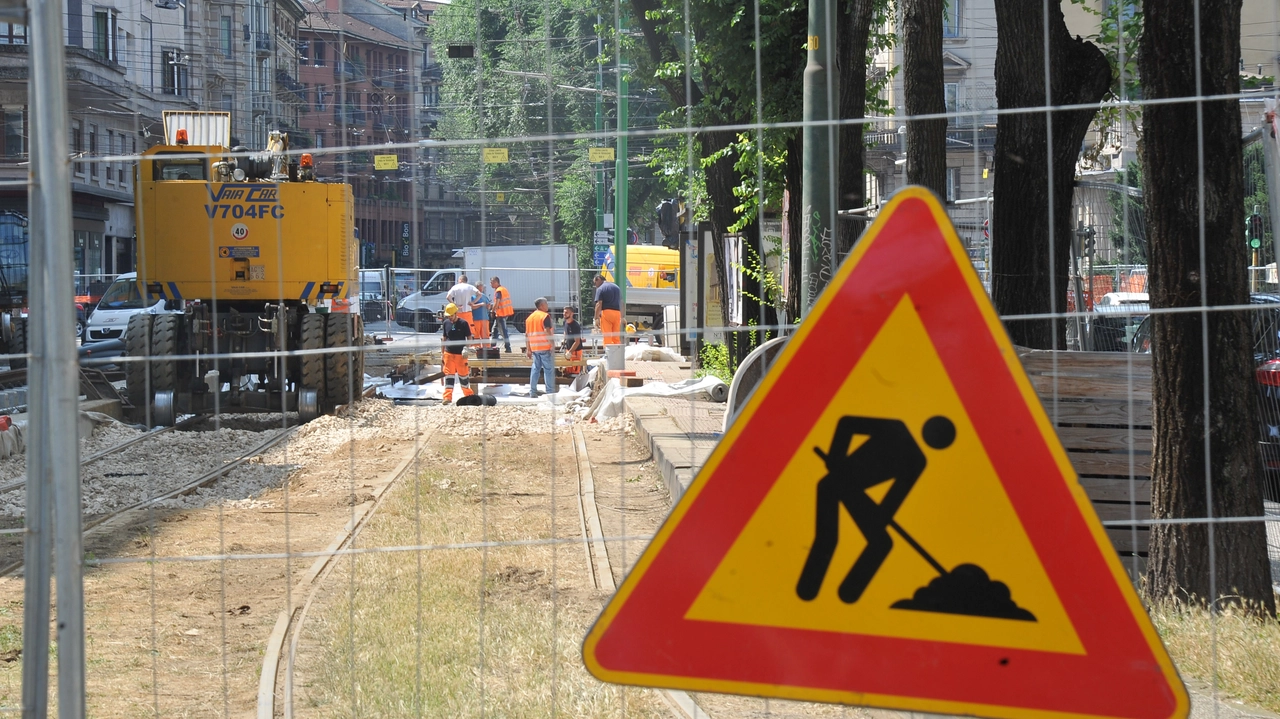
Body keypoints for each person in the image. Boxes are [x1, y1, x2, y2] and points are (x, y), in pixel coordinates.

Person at [796, 415, 955, 604]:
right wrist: (837, 455)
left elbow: (894, 499)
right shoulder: (897, 430)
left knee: (881, 543)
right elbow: (847, 423)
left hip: (844, 486)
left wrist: (881, 516)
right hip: (835, 481)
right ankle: (809, 589)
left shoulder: (916, 459)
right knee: (829, 537)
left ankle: (847, 593)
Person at [440, 303, 475, 405]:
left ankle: (469, 397)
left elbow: (469, 337)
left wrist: (467, 348)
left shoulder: (463, 323)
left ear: (456, 313)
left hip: (461, 355)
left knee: (463, 376)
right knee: (449, 376)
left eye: (451, 315)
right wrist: (442, 353)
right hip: (449, 354)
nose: (450, 317)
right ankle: (447, 398)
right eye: (448, 316)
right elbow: (444, 338)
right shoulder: (446, 323)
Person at [525, 297, 556, 398]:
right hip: (544, 347)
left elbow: (527, 335)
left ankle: (532, 392)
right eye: (546, 304)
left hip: (534, 348)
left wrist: (528, 349)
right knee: (549, 370)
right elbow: (547, 331)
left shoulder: (529, 318)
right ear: (542, 305)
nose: (547, 306)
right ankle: (550, 393)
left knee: (535, 369)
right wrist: (552, 344)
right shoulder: (545, 316)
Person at [593, 273, 622, 346]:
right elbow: (622, 302)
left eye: (595, 283)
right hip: (617, 313)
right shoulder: (616, 287)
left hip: (606, 313)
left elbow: (599, 304)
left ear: (598, 279)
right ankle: (617, 354)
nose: (595, 285)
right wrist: (623, 316)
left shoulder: (600, 288)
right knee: (616, 337)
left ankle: (608, 354)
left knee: (607, 336)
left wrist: (596, 318)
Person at [490, 276, 514, 353]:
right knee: (495, 331)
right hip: (504, 313)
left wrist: (492, 311)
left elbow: (497, 303)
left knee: (503, 331)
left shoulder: (498, 291)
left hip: (501, 314)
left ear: (496, 282)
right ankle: (493, 346)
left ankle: (508, 348)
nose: (491, 284)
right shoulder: (503, 289)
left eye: (492, 282)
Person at [562, 306, 583, 375]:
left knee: (574, 372)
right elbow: (565, 331)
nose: (564, 314)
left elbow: (577, 342)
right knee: (568, 371)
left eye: (566, 312)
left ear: (571, 314)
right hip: (569, 350)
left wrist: (570, 352)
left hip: (576, 351)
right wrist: (564, 340)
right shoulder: (565, 322)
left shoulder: (575, 326)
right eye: (564, 312)